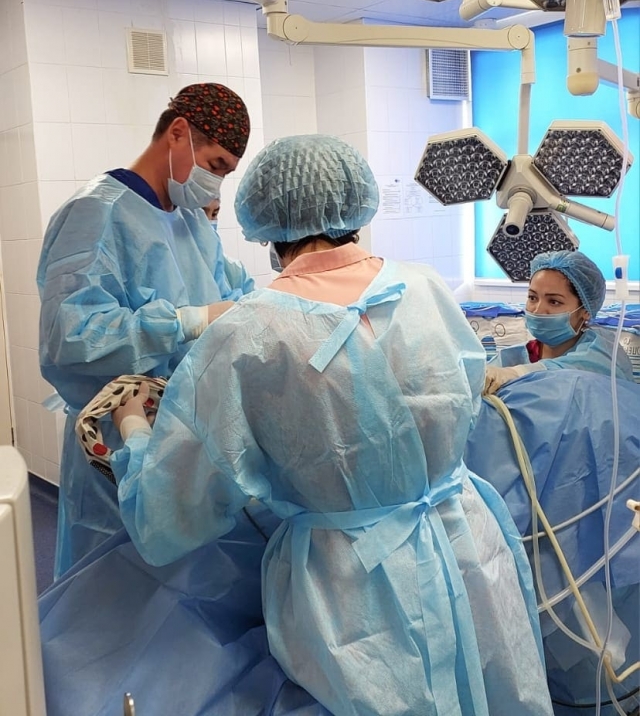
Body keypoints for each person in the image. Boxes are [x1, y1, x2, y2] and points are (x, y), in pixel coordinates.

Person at [110, 134, 553, 716]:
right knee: (493, 685)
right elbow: (462, 399)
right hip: (465, 543)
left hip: (353, 588)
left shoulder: (247, 333)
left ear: (266, 226)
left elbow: (170, 511)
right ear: (355, 206)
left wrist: (133, 432)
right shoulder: (424, 288)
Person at [37, 82, 251, 579]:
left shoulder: (191, 222)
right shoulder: (96, 213)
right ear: (178, 133)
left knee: (181, 586)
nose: (216, 184)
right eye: (215, 165)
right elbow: (70, 336)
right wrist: (185, 322)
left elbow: (230, 293)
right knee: (113, 586)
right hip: (114, 440)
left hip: (182, 434)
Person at [484, 250, 634, 395]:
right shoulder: (511, 358)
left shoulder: (603, 357)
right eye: (532, 298)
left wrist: (517, 373)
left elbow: (573, 373)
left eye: (554, 301)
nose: (538, 310)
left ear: (585, 310)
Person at [203, 197, 255, 295]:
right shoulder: (173, 272)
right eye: (201, 214)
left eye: (214, 214)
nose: (209, 221)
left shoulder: (234, 271)